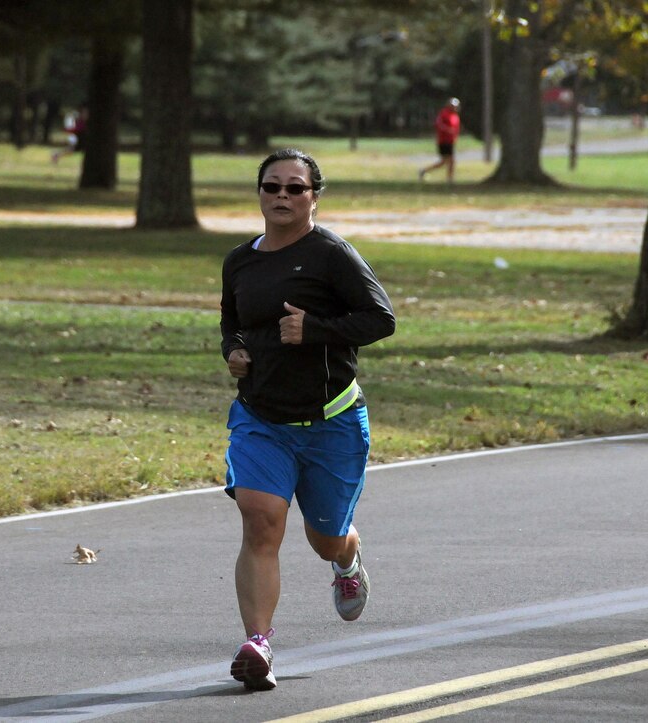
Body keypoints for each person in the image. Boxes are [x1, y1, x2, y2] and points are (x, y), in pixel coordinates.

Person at [219, 148, 396, 692]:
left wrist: (314, 330)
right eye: (272, 187)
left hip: (332, 422)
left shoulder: (331, 255)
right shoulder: (239, 261)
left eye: (296, 188)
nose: (282, 197)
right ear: (260, 193)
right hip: (261, 417)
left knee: (325, 538)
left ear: (314, 196)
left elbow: (379, 318)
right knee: (260, 522)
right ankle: (258, 643)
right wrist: (233, 351)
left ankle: (347, 560)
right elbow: (232, 322)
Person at [418, 97, 462, 184]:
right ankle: (449, 179)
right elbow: (439, 125)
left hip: (451, 142)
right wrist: (448, 130)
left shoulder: (455, 116)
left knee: (447, 162)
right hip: (443, 141)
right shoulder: (444, 114)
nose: (454, 107)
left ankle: (425, 171)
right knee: (448, 161)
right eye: (452, 105)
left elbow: (456, 129)